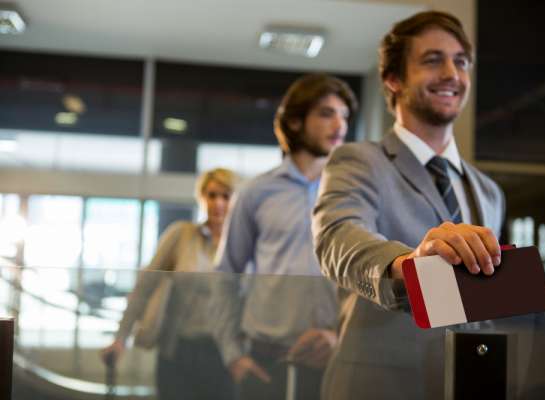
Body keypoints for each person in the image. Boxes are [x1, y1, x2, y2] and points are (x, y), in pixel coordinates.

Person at [312, 11, 505, 400]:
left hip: (466, 381)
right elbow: (337, 238)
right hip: (377, 387)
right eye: (433, 60)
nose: (452, 73)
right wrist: (411, 264)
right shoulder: (358, 160)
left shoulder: (488, 192)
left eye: (461, 62)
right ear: (393, 79)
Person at [211, 74, 358, 400]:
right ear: (294, 121)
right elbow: (225, 275)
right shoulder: (256, 192)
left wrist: (341, 336)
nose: (340, 125)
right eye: (326, 113)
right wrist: (233, 355)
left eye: (344, 115)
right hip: (266, 360)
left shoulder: (354, 192)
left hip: (335, 355)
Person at [101, 168, 237, 400]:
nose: (218, 203)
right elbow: (144, 287)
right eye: (212, 195)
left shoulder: (240, 243)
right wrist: (120, 338)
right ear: (202, 197)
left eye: (226, 196)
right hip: (178, 351)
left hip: (225, 354)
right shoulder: (181, 235)